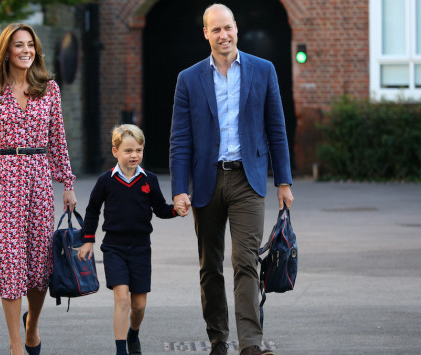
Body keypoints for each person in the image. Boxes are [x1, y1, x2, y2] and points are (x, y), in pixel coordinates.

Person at [169, 4, 294, 355]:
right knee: (210, 266)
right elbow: (180, 140)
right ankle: (218, 339)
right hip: (206, 182)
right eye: (215, 30)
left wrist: (283, 181)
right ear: (205, 34)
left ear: (236, 28)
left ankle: (251, 344)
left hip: (247, 180)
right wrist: (179, 189)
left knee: (246, 261)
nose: (223, 35)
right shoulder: (189, 78)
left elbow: (277, 129)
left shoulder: (263, 70)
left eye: (228, 28)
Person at [0, 23, 77, 355]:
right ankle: (15, 345)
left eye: (30, 45)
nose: (26, 50)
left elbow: (58, 141)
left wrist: (67, 184)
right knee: (10, 262)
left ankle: (32, 327)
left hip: (40, 179)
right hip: (8, 179)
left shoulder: (49, 89)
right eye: (18, 45)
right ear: (7, 52)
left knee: (39, 264)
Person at [78, 124, 185, 355]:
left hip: (140, 249)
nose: (134, 155)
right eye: (128, 150)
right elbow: (92, 210)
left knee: (138, 306)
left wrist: (177, 210)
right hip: (114, 248)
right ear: (115, 151)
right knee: (122, 299)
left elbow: (161, 209)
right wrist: (88, 240)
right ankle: (120, 350)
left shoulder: (150, 180)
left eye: (138, 150)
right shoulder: (106, 181)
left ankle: (133, 334)